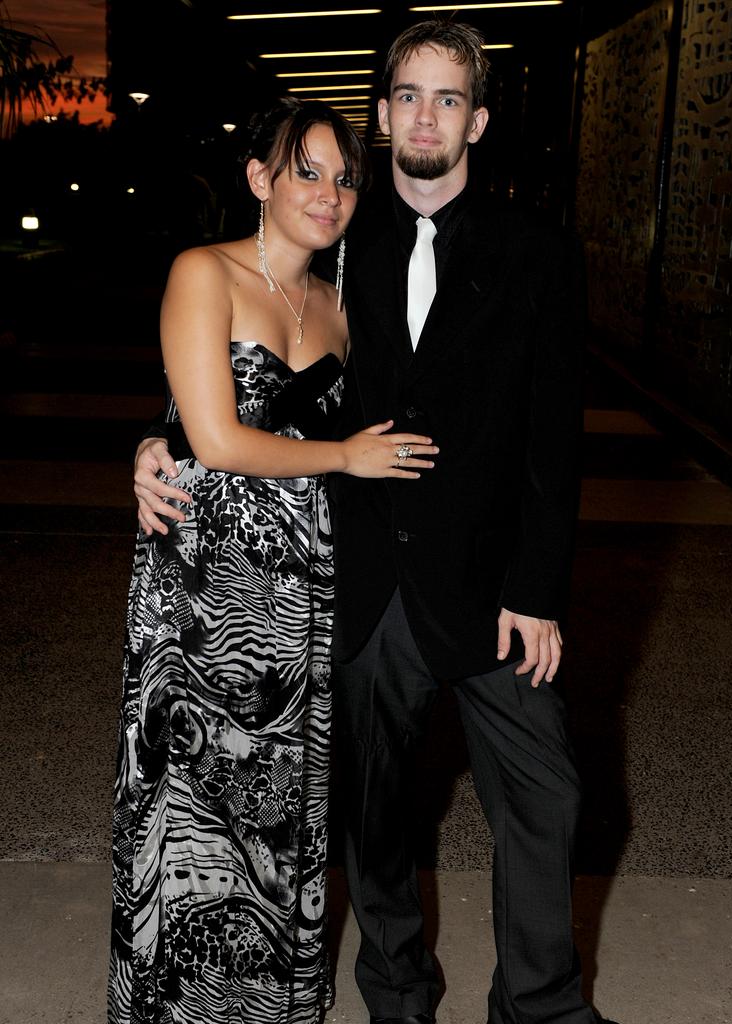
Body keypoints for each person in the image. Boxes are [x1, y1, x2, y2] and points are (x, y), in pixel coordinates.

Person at [133, 21, 623, 1024]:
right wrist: (157, 437)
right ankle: (398, 996)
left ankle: (541, 1004)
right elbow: (261, 367)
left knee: (551, 796)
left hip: (492, 587)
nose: (426, 117)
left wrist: (538, 591)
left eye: (449, 99)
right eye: (408, 96)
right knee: (378, 819)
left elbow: (552, 440)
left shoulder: (540, 253)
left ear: (478, 120)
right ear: (385, 112)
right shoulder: (338, 236)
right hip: (361, 585)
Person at [109, 97, 438, 1024]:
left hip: (301, 591)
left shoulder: (342, 305)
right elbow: (212, 436)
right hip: (201, 588)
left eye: (344, 178)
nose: (330, 193)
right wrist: (157, 444)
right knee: (194, 805)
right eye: (308, 171)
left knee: (277, 811)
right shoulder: (201, 273)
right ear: (259, 179)